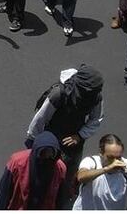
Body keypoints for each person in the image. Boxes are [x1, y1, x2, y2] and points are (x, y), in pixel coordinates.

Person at [26, 65, 104, 195]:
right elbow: (40, 119)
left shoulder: (95, 96)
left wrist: (79, 136)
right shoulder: (59, 94)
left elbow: (96, 119)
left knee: (67, 176)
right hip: (51, 139)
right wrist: (33, 143)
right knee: (43, 173)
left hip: (74, 143)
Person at [0, 132, 67, 210]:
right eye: (44, 152)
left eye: (51, 153)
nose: (47, 156)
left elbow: (60, 199)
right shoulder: (17, 163)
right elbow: (3, 193)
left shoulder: (60, 168)